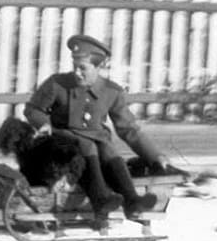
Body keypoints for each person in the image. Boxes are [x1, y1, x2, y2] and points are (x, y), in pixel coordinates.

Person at [23, 34, 171, 225]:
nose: (77, 72)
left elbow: (128, 128)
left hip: (94, 147)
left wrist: (154, 156)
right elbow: (33, 109)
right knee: (88, 145)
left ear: (99, 67)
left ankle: (132, 201)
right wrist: (45, 125)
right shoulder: (57, 84)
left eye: (83, 68)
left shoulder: (111, 91)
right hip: (60, 145)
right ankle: (100, 199)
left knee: (106, 148)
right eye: (75, 66)